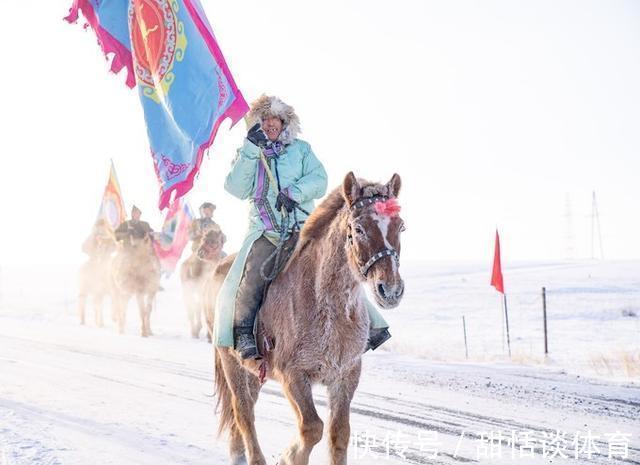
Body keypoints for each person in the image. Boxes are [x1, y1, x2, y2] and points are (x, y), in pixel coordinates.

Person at [218, 95, 390, 359]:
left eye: (276, 119)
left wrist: (294, 192)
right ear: (257, 124)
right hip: (267, 232)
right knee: (251, 276)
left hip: (303, 228)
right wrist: (251, 150)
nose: (271, 124)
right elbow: (235, 188)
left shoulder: (301, 150)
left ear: (285, 123)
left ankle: (371, 325)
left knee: (340, 269)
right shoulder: (249, 154)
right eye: (265, 120)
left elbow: (319, 180)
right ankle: (243, 333)